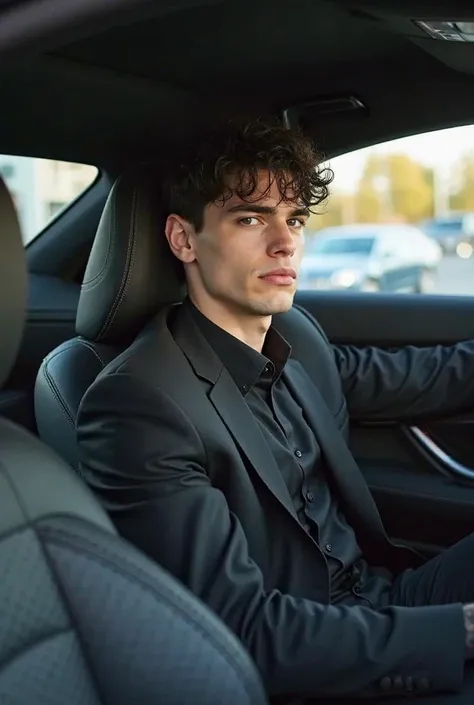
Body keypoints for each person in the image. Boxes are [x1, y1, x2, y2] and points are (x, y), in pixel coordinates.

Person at [77, 118, 474, 704]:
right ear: (183, 239)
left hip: (389, 596)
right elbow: (236, 629)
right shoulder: (138, 404)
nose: (285, 241)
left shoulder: (297, 347)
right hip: (315, 655)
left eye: (293, 220)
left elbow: (425, 377)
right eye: (251, 218)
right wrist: (458, 631)